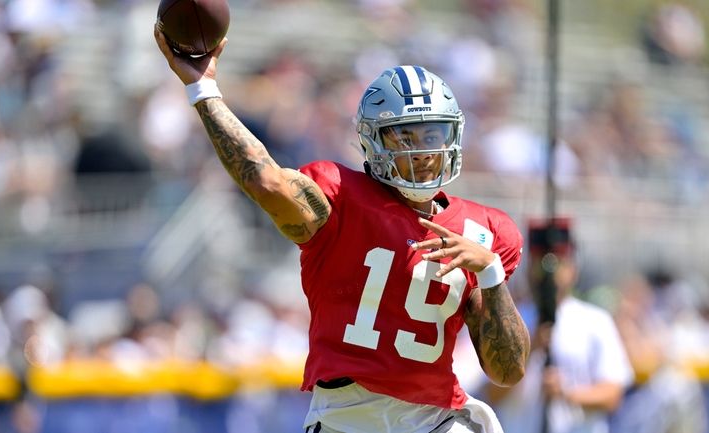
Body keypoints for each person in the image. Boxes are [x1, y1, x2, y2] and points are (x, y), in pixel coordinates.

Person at [153, 27, 530, 433]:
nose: (422, 151)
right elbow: (265, 180)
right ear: (372, 141)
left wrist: (491, 275)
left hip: (434, 419)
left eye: (432, 134)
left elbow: (507, 372)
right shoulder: (339, 197)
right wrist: (204, 90)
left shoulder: (484, 231)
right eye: (405, 136)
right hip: (345, 419)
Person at [484, 220, 634, 433]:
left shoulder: (595, 321)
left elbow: (613, 394)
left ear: (573, 268)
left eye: (558, 263)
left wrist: (567, 393)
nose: (549, 274)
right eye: (540, 262)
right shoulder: (509, 318)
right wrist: (528, 348)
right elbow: (492, 393)